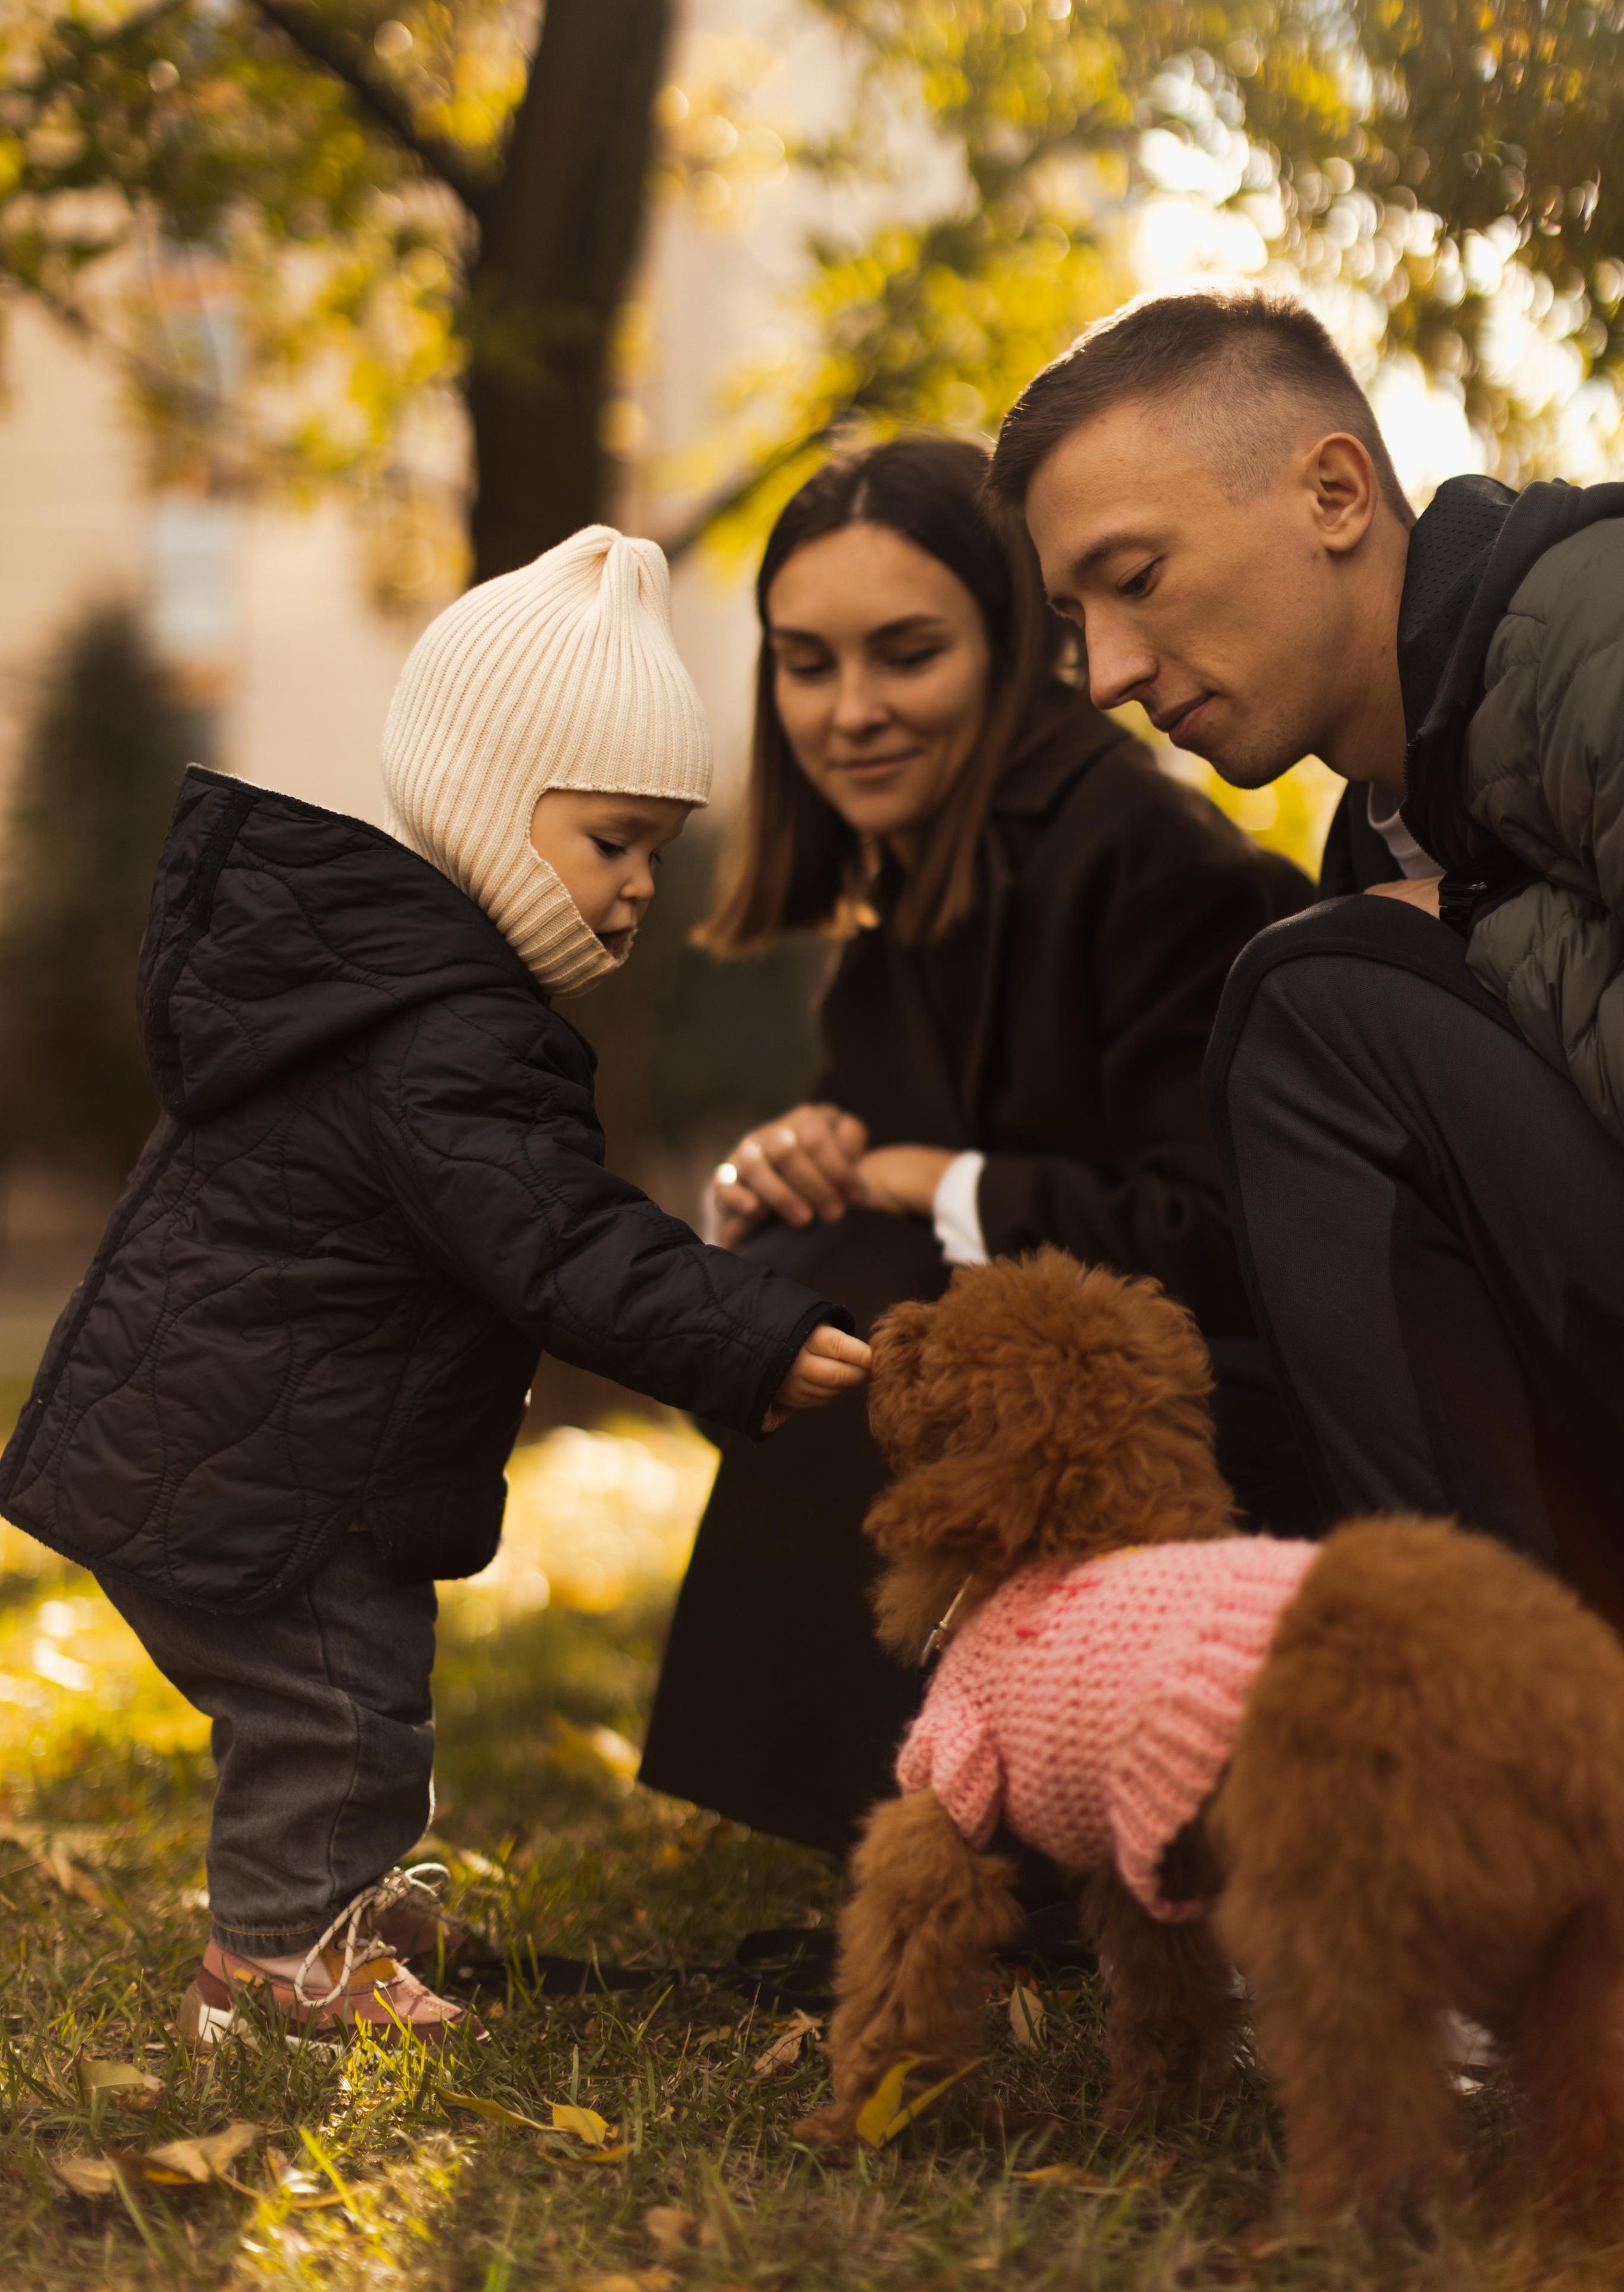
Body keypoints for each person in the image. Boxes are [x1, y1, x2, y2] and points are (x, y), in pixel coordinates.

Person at [0, 525, 870, 2045]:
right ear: (488, 801)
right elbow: (557, 1241)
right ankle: (284, 1963)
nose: (640, 886)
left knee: (342, 1689)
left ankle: (323, 1909)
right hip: (258, 1464)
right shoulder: (448, 1032)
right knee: (332, 1707)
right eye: (612, 842)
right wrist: (749, 1332)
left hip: (243, 1441)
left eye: (656, 854)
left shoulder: (388, 987)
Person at [638, 438, 1313, 1859]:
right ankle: (909, 1790)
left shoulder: (1146, 857)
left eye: (907, 654)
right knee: (790, 1281)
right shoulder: (910, 890)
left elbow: (1218, 1240)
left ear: (1013, 647)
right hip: (1054, 1411)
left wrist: (925, 1183)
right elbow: (865, 1189)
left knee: (855, 1291)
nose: (852, 711)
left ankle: (1009, 1805)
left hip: (1220, 1445)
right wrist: (788, 1173)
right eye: (807, 664)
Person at [987, 284, 1624, 1617]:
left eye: (1136, 580)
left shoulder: (1592, 627)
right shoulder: (1375, 840)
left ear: (1335, 495)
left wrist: (1471, 922)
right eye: (1075, 620)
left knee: (1307, 999)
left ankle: (1476, 1696)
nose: (1105, 673)